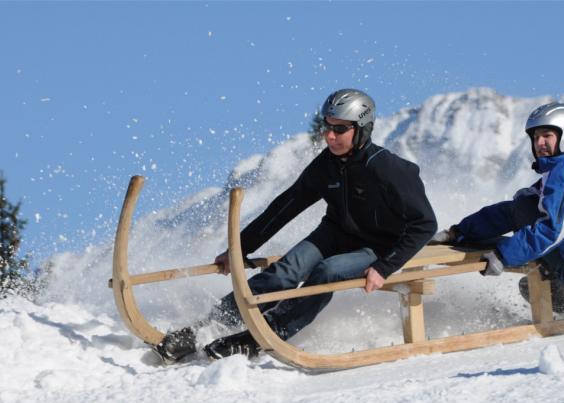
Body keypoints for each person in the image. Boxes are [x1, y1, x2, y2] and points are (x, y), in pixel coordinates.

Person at [156, 88, 437, 363]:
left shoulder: (388, 169)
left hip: (379, 246)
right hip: (336, 232)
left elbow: (425, 224)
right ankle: (210, 325)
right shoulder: (326, 164)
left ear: (362, 129)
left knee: (328, 271)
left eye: (340, 130)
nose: (330, 136)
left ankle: (267, 333)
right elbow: (284, 208)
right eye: (327, 127)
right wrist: (240, 248)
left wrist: (384, 267)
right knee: (286, 271)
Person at [432, 102, 564, 314]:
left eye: (547, 136)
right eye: (535, 138)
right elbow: (512, 211)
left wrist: (502, 256)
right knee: (525, 204)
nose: (539, 143)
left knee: (527, 218)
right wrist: (459, 232)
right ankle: (562, 290)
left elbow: (551, 229)